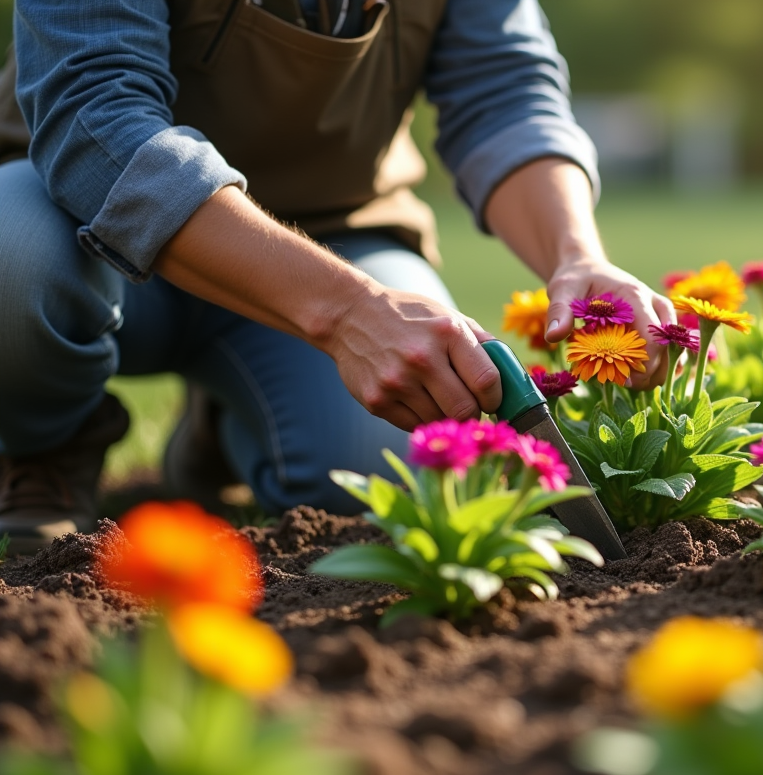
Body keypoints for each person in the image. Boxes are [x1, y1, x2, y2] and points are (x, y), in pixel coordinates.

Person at [0, 0, 674, 555]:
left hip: (335, 235)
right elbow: (96, 119)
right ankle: (46, 445)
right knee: (13, 261)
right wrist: (349, 313)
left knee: (393, 470)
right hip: (79, 218)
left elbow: (504, 92)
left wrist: (574, 254)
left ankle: (227, 425)